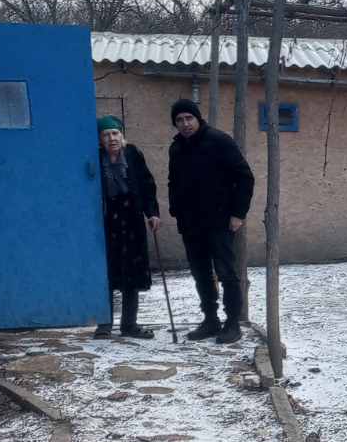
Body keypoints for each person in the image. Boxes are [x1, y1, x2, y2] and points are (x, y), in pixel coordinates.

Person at [167, 98, 255, 344]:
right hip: (191, 224)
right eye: (179, 120)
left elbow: (245, 177)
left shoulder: (219, 141)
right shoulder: (176, 148)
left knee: (226, 273)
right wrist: (176, 209)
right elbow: (173, 181)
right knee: (201, 274)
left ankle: (232, 322)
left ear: (198, 118)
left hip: (219, 222)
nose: (185, 124)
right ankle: (211, 319)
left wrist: (238, 213)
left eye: (189, 118)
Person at [94, 116, 159, 340]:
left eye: (115, 133)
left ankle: (129, 324)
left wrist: (152, 213)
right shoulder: (96, 158)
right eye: (106, 134)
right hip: (105, 219)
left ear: (122, 135)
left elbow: (147, 185)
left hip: (131, 216)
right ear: (100, 139)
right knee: (106, 273)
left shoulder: (133, 154)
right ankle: (104, 325)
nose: (111, 138)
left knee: (132, 272)